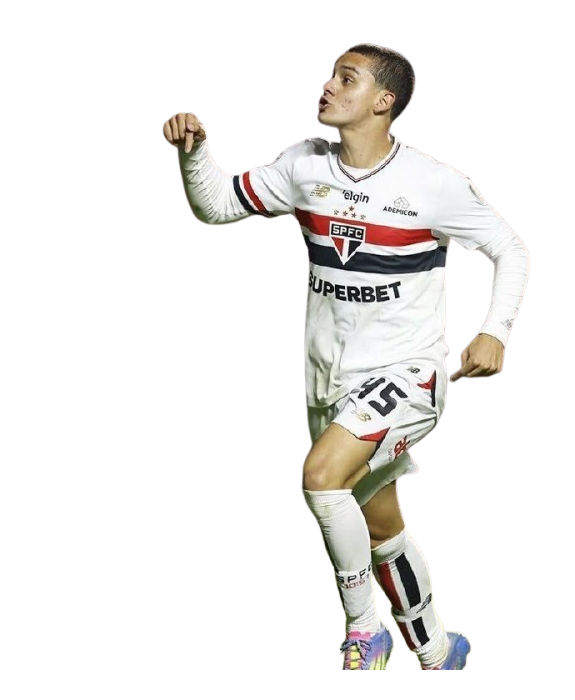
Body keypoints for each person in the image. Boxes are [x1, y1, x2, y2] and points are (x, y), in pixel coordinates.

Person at [163, 42, 531, 670]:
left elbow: (511, 250)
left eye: (346, 78)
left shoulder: (434, 183)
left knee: (320, 476)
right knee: (379, 525)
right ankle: (437, 648)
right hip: (328, 383)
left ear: (384, 101)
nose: (329, 85)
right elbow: (216, 206)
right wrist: (194, 152)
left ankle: (364, 631)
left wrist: (495, 331)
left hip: (408, 374)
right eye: (331, 74)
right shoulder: (305, 164)